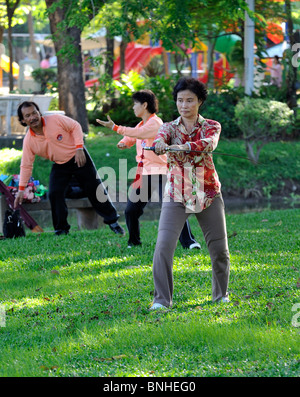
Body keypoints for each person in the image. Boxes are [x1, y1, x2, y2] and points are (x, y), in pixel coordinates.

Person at [150, 77, 230, 310]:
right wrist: (159, 145)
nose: (184, 105)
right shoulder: (167, 127)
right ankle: (161, 300)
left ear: (200, 102)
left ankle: (221, 295)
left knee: (219, 250)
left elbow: (209, 143)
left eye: (190, 100)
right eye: (180, 100)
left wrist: (186, 146)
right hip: (176, 194)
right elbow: (159, 139)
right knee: (163, 247)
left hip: (208, 193)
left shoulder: (211, 125)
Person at [96, 89, 200, 250]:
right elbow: (134, 135)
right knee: (131, 210)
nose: (133, 107)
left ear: (144, 105)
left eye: (135, 104)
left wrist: (116, 128)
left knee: (172, 208)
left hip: (162, 172)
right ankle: (134, 242)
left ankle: (190, 242)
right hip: (144, 174)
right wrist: (125, 141)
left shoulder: (156, 123)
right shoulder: (141, 124)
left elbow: (140, 133)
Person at [14, 101, 125, 236]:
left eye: (34, 113)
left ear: (39, 113)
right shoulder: (29, 141)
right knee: (54, 193)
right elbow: (26, 165)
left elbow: (75, 126)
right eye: (27, 116)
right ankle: (61, 229)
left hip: (78, 156)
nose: (32, 117)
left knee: (95, 189)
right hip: (60, 164)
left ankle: (113, 221)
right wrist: (21, 189)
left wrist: (79, 148)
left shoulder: (54, 119)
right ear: (23, 120)